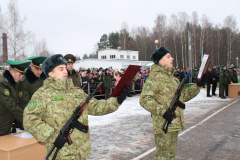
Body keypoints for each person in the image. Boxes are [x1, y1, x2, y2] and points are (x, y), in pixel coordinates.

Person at [23, 54, 128, 160]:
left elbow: (96, 107)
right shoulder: (42, 94)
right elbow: (29, 119)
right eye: (60, 69)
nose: (65, 71)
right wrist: (52, 136)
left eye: (65, 68)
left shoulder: (76, 91)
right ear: (51, 73)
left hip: (81, 151)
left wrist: (116, 101)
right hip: (61, 153)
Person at [139, 46, 203, 160]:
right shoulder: (154, 79)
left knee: (170, 156)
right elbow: (145, 100)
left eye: (171, 56)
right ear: (160, 61)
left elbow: (182, 97)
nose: (172, 58)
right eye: (168, 57)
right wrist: (163, 112)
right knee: (163, 156)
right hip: (163, 124)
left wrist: (197, 86)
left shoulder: (174, 79)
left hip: (174, 123)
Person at [0, 60, 31, 136]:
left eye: (22, 76)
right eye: (19, 75)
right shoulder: (2, 84)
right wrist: (28, 119)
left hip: (6, 125)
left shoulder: (13, 84)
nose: (21, 78)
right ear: (11, 73)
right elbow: (11, 105)